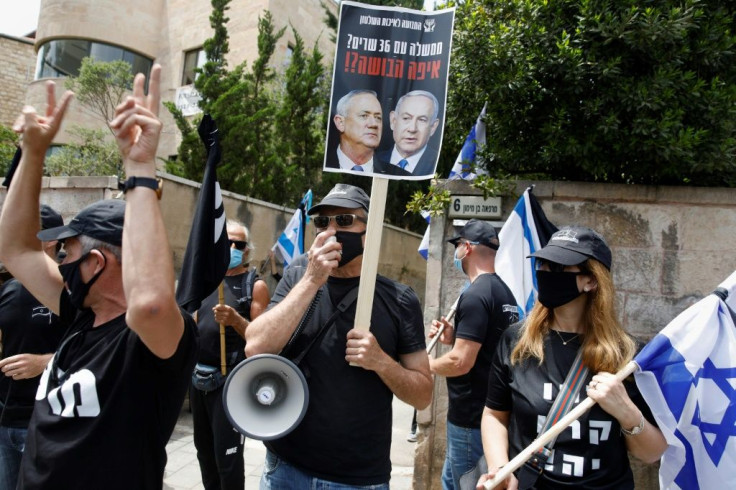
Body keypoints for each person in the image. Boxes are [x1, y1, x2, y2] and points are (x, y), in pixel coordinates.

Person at [0, 66, 199, 488]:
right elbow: (14, 249)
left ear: (97, 262)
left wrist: (141, 167)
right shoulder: (78, 314)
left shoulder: (152, 338)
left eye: (66, 250)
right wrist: (33, 152)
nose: (56, 258)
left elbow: (149, 302)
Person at [245, 183, 433, 488]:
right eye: (322, 222)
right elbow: (255, 346)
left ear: (368, 231)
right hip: (285, 467)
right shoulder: (297, 275)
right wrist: (312, 279)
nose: (331, 230)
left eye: (344, 221)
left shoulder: (399, 299)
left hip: (357, 478)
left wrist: (381, 361)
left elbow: (423, 395)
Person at [477, 226, 667, 490]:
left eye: (558, 268)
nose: (544, 273)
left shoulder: (629, 355)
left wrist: (626, 411)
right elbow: (495, 415)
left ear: (591, 281)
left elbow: (652, 452)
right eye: (543, 264)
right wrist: (500, 468)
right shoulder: (517, 342)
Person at [428, 219, 519, 490]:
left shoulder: (475, 295)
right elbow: (488, 348)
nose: (455, 252)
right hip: (486, 413)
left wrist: (425, 365)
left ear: (467, 248)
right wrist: (453, 338)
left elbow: (460, 362)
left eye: (457, 245)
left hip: (471, 417)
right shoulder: (503, 292)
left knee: (463, 485)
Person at [191, 220, 269, 490]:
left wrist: (236, 320)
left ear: (247, 251)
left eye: (239, 244)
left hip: (230, 382)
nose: (232, 248)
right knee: (204, 453)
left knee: (228, 457)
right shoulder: (205, 281)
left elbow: (262, 341)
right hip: (199, 380)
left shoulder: (254, 286)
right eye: (227, 243)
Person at [0, 204, 67, 490]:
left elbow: (97, 351)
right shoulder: (9, 287)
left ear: (51, 239)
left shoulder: (73, 290)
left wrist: (44, 363)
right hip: (5, 420)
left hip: (48, 422)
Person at [326, 90, 408, 177]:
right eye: (364, 116)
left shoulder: (397, 175)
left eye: (378, 117)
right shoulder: (319, 166)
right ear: (340, 123)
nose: (374, 124)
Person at [377, 90, 441, 177]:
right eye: (406, 118)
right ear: (393, 121)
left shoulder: (439, 166)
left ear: (433, 127)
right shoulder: (374, 160)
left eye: (422, 120)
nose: (412, 129)